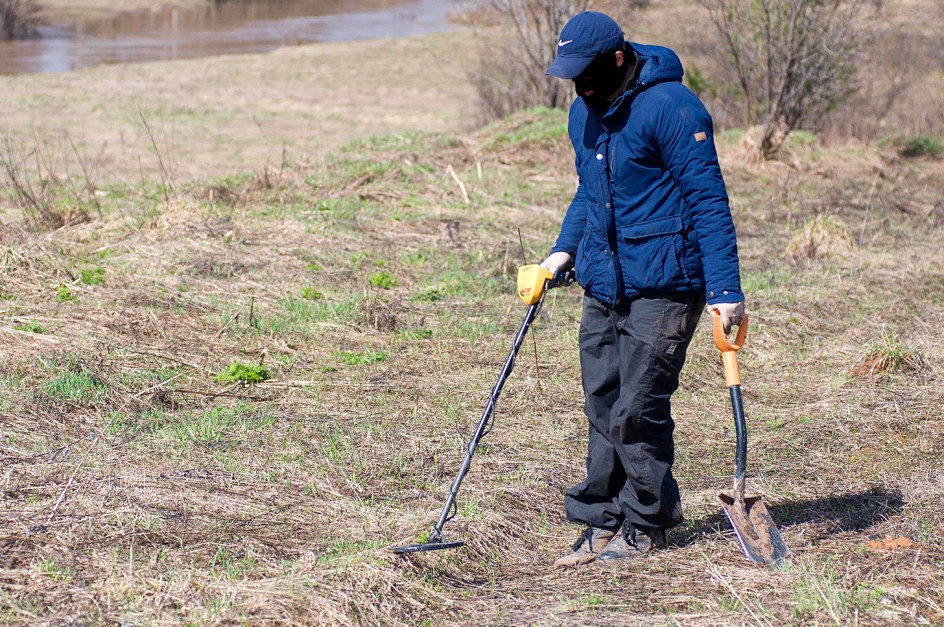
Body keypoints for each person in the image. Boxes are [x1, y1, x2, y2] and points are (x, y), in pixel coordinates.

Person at [540, 11, 745, 566]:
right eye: (570, 75)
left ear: (617, 58)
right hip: (603, 281)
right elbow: (589, 193)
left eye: (587, 72)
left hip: (667, 284)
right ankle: (602, 518)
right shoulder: (582, 111)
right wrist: (561, 252)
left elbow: (708, 200)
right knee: (602, 403)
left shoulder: (673, 108)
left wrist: (726, 289)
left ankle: (647, 521)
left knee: (638, 407)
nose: (578, 86)